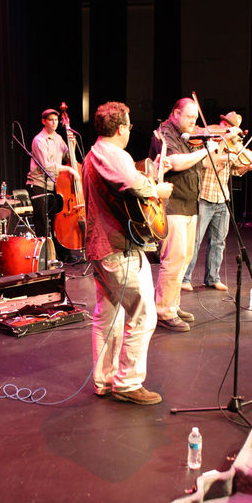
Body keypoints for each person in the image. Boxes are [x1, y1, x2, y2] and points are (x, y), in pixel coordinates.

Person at [82, 101, 173, 405]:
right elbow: (133, 184)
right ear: (121, 128)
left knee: (108, 315)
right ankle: (128, 383)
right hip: (116, 249)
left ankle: (104, 380)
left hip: (100, 247)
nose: (130, 130)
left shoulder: (96, 153)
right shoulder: (111, 153)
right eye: (130, 125)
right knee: (144, 314)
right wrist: (157, 190)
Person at [148, 98, 219, 332]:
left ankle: (173, 303)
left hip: (190, 205)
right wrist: (205, 149)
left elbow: (204, 164)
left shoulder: (188, 138)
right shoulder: (163, 134)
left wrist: (220, 148)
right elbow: (176, 163)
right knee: (174, 259)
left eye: (196, 119)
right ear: (176, 113)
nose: (193, 122)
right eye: (190, 117)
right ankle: (163, 311)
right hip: (173, 205)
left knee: (185, 258)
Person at [182, 111, 252, 292]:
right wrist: (223, 151)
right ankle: (185, 278)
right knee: (194, 241)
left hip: (222, 198)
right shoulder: (208, 141)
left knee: (219, 242)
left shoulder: (233, 145)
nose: (233, 133)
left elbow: (234, 171)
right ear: (224, 125)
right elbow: (201, 163)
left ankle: (212, 278)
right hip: (204, 197)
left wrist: (248, 167)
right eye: (230, 127)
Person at [26, 108, 80, 262]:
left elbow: (68, 157)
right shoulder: (39, 140)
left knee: (58, 221)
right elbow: (46, 165)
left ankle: (62, 254)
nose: (54, 123)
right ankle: (43, 258)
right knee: (42, 223)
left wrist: (72, 144)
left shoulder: (58, 138)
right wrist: (68, 169)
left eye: (56, 120)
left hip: (55, 185)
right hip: (38, 184)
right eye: (51, 120)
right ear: (44, 121)